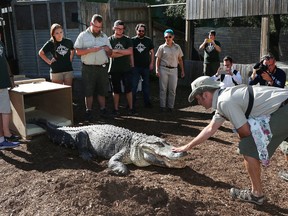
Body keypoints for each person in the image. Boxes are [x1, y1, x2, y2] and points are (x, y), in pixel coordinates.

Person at [172, 76, 288, 205]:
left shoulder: (224, 102)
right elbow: (210, 128)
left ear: (205, 94)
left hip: (284, 110)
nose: (198, 103)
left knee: (247, 147)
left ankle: (257, 194)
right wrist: (187, 146)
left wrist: (248, 140)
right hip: (283, 105)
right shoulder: (224, 97)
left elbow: (245, 132)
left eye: (198, 99)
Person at [74, 14, 112, 123]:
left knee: (102, 90)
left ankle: (103, 110)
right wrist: (90, 50)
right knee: (88, 91)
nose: (98, 29)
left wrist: (107, 49)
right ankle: (88, 111)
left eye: (100, 27)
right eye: (96, 27)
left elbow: (110, 53)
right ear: (91, 24)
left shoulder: (104, 36)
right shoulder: (83, 35)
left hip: (102, 68)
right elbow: (78, 51)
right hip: (88, 68)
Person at [155, 29, 185, 112]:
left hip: (174, 70)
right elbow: (158, 59)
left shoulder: (177, 47)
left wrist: (182, 70)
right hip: (163, 68)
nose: (167, 38)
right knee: (163, 89)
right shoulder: (161, 47)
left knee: (172, 89)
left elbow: (180, 59)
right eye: (166, 37)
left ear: (173, 37)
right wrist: (157, 69)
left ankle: (170, 107)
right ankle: (162, 106)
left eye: (169, 37)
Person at [108, 20, 134, 116]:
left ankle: (131, 108)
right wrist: (123, 52)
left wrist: (116, 51)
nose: (119, 30)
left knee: (128, 89)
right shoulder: (109, 40)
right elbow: (110, 54)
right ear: (114, 28)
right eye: (117, 28)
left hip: (126, 68)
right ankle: (116, 109)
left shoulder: (127, 39)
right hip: (114, 69)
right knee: (116, 90)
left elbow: (130, 52)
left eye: (121, 29)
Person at [0, 32, 20, 149]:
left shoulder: (1, 44)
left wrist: (11, 78)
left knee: (5, 110)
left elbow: (5, 62)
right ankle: (2, 140)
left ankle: (6, 134)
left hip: (3, 85)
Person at [131, 23, 155, 109]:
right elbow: (130, 53)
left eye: (143, 31)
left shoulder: (148, 40)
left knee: (146, 85)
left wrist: (152, 63)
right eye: (139, 30)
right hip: (135, 67)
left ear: (145, 31)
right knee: (133, 86)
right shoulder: (132, 40)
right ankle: (131, 103)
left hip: (146, 67)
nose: (141, 32)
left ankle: (147, 103)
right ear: (136, 30)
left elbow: (152, 53)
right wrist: (132, 64)